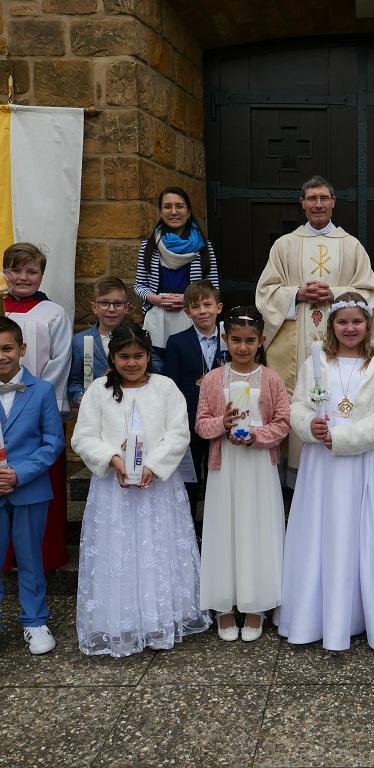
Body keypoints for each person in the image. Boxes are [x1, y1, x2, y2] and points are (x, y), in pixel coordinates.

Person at [71, 322, 211, 657]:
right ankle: (122, 620)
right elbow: (83, 437)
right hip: (113, 489)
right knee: (119, 550)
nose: (132, 363)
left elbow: (178, 433)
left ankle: (158, 619)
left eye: (138, 356)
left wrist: (154, 464)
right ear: (113, 357)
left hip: (157, 487)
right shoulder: (98, 391)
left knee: (155, 548)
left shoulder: (165, 388)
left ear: (149, 356)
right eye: (124, 357)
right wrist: (111, 458)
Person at [278, 292, 374, 652]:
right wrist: (308, 427)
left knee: (364, 537)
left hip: (366, 462)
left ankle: (366, 616)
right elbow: (297, 405)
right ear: (332, 325)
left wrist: (343, 437)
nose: (350, 328)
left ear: (368, 324)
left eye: (357, 321)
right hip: (323, 467)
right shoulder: (316, 363)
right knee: (324, 533)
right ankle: (317, 617)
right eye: (342, 322)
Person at [255, 175, 374, 473]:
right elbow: (265, 292)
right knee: (299, 396)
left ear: (333, 202)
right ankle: (295, 474)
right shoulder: (284, 245)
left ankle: (341, 451)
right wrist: (297, 293)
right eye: (312, 198)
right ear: (302, 203)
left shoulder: (351, 246)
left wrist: (334, 294)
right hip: (295, 339)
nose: (318, 204)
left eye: (324, 198)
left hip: (340, 341)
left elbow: (369, 292)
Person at [196, 306, 290, 642]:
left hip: (258, 466)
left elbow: (282, 423)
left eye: (250, 341)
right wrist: (223, 423)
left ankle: (256, 603)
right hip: (226, 466)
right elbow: (201, 423)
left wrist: (257, 436)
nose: (243, 347)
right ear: (225, 339)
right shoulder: (213, 379)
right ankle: (223, 605)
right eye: (236, 340)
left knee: (256, 529)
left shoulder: (272, 380)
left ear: (261, 341)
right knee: (226, 529)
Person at [3, 242, 71, 574]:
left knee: (39, 482)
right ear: (5, 272)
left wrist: (37, 401)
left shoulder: (53, 313)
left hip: (37, 408)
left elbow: (60, 361)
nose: (23, 277)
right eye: (16, 270)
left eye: (31, 271)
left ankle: (43, 556)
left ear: (42, 275)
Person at [0, 317, 65, 655]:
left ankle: (35, 620)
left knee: (29, 558)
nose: (1, 355)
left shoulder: (40, 391)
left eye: (7, 348)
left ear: (21, 349)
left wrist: (20, 473)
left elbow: (53, 442)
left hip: (29, 488)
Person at [134, 186, 220, 371]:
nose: (173, 211)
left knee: (190, 371)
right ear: (161, 211)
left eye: (179, 206)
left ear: (188, 212)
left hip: (190, 318)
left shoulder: (204, 247)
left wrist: (188, 300)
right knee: (158, 370)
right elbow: (139, 285)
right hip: (157, 321)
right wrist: (155, 299)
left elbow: (214, 288)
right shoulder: (148, 246)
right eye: (167, 206)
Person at [164, 280, 224, 530]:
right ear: (187, 312)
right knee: (190, 478)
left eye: (207, 304)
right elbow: (172, 385)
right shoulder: (177, 342)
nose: (202, 311)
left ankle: (215, 529)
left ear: (218, 307)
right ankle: (188, 529)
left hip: (222, 422)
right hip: (189, 421)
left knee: (218, 477)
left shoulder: (230, 339)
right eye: (195, 307)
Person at [68, 276, 131, 408]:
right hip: (95, 408)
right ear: (94, 308)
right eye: (104, 303)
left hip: (129, 404)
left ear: (126, 307)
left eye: (117, 304)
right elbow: (74, 381)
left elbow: (154, 367)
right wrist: (81, 398)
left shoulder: (137, 337)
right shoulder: (80, 341)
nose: (111, 309)